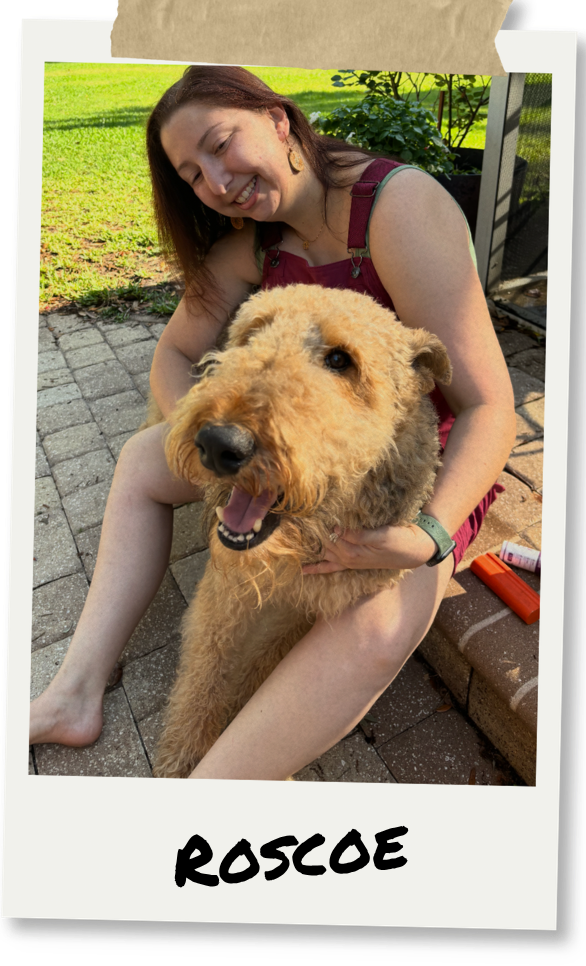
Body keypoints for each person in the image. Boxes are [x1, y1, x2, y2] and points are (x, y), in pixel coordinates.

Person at [30, 66, 516, 779]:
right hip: (275, 447)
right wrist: (197, 440)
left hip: (414, 469)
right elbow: (176, 350)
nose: (218, 182)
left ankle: (207, 799)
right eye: (193, 173)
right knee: (140, 461)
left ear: (279, 120)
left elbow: (489, 406)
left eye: (223, 144)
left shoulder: (399, 207)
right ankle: (75, 690)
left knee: (376, 627)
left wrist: (428, 535)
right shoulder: (254, 242)